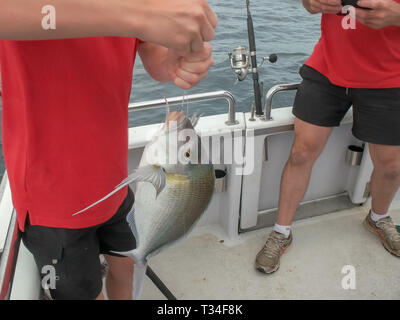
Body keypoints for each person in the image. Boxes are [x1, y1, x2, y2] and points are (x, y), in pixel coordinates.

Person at [0, 0, 217, 299]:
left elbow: (156, 57)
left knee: (128, 269)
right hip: (50, 195)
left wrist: (176, 60)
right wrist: (139, 15)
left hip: (114, 181)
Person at [255, 0, 400, 274]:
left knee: (391, 165)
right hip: (327, 68)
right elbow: (309, 4)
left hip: (389, 77)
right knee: (301, 152)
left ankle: (378, 217)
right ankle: (281, 232)